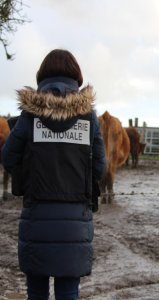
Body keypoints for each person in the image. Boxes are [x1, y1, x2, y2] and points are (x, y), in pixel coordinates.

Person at [2, 49, 106, 299]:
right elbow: (100, 169)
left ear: (42, 77)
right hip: (75, 222)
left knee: (36, 291)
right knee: (68, 291)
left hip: (37, 217)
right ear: (76, 78)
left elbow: (8, 158)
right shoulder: (89, 118)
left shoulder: (30, 116)